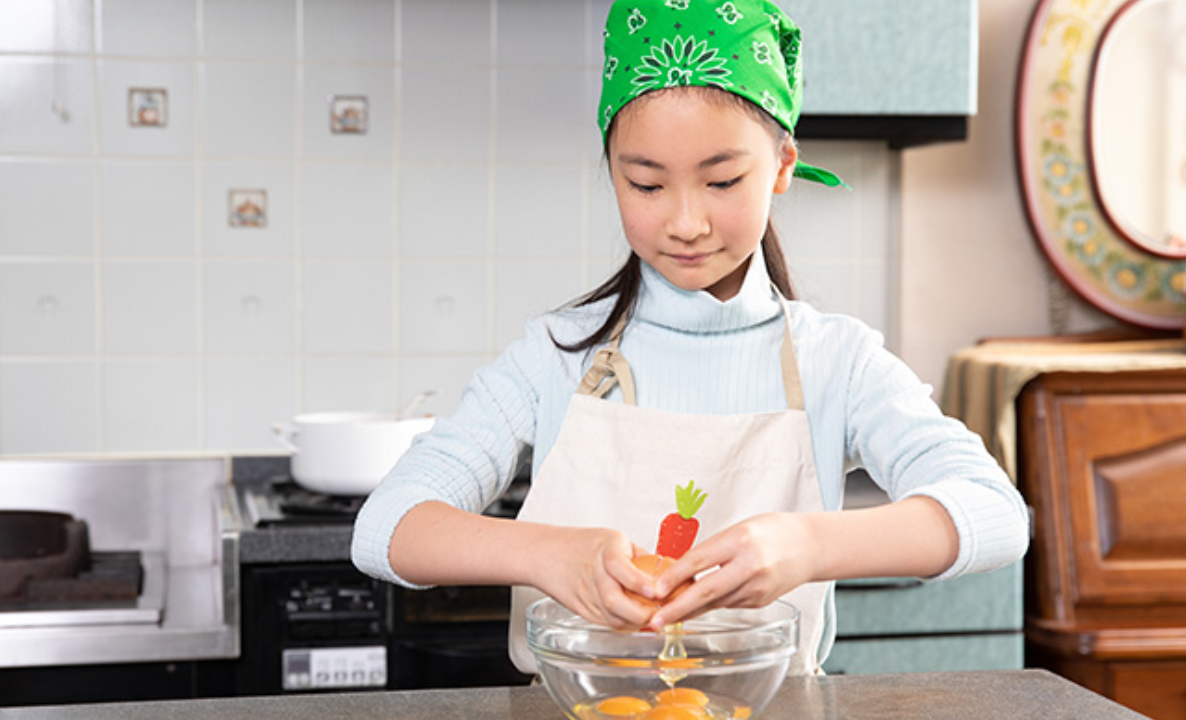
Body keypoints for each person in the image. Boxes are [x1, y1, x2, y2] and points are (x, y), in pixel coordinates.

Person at [352, 0, 1028, 676]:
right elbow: (387, 527)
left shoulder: (838, 363)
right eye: (645, 183)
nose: (685, 222)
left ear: (784, 165)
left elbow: (996, 515)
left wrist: (808, 544)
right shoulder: (554, 358)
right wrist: (546, 553)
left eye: (723, 180)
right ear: (611, 170)